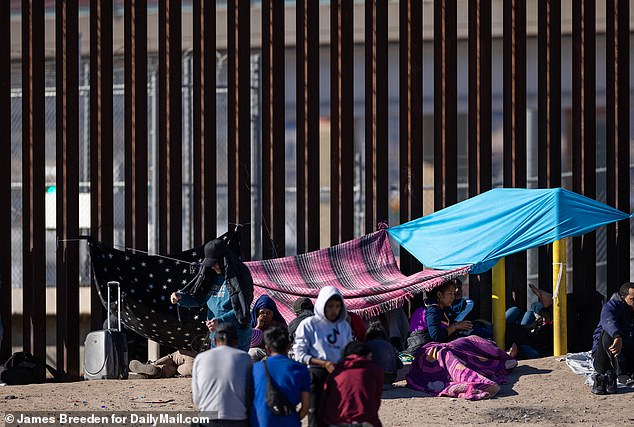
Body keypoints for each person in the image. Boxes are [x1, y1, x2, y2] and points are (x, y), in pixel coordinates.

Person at [171, 239, 253, 352]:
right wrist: (181, 298)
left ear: (224, 260)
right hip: (217, 335)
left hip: (237, 338)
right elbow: (200, 299)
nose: (213, 267)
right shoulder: (210, 276)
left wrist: (221, 320)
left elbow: (242, 310)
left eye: (215, 263)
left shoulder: (240, 276)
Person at [292, 286, 352, 427]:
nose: (334, 310)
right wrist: (324, 364)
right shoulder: (309, 325)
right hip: (316, 372)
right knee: (316, 412)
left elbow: (348, 349)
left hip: (339, 373)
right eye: (330, 306)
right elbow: (299, 354)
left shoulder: (344, 326)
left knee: (338, 413)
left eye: (337, 306)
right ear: (322, 304)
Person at [191, 322, 253, 426]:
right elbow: (249, 394)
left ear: (214, 341)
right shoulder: (245, 358)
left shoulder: (200, 358)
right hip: (237, 420)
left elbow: (196, 399)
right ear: (236, 341)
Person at [251, 327, 310, 427]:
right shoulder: (300, 369)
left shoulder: (255, 369)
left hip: (260, 423)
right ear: (289, 346)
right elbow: (306, 406)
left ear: (267, 348)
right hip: (290, 422)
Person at [320, 341, 383, 427]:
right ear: (366, 355)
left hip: (336, 420)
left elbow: (325, 399)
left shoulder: (336, 371)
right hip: (365, 419)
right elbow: (376, 399)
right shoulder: (374, 369)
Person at [402, 281, 473, 356]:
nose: (453, 297)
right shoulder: (433, 310)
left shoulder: (439, 308)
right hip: (422, 350)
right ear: (439, 294)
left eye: (453, 294)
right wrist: (455, 326)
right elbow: (436, 336)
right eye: (450, 293)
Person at [591, 282, 634, 395]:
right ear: (623, 297)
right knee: (608, 333)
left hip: (627, 354)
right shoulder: (611, 307)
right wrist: (617, 337)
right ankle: (605, 376)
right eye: (632, 299)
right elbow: (608, 320)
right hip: (606, 355)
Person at [249, 294, 287, 361]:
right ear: (257, 313)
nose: (265, 315)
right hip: (257, 353)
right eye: (262, 313)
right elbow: (250, 343)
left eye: (268, 313)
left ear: (273, 313)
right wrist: (258, 327)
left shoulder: (279, 326)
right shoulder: (252, 324)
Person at [365, 321, 403, 386]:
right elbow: (400, 365)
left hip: (375, 378)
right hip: (391, 377)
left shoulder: (367, 345)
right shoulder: (390, 345)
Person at [129, 349, 197, 378]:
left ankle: (154, 365)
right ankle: (156, 372)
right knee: (176, 371)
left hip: (195, 355)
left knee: (172, 358)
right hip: (197, 368)